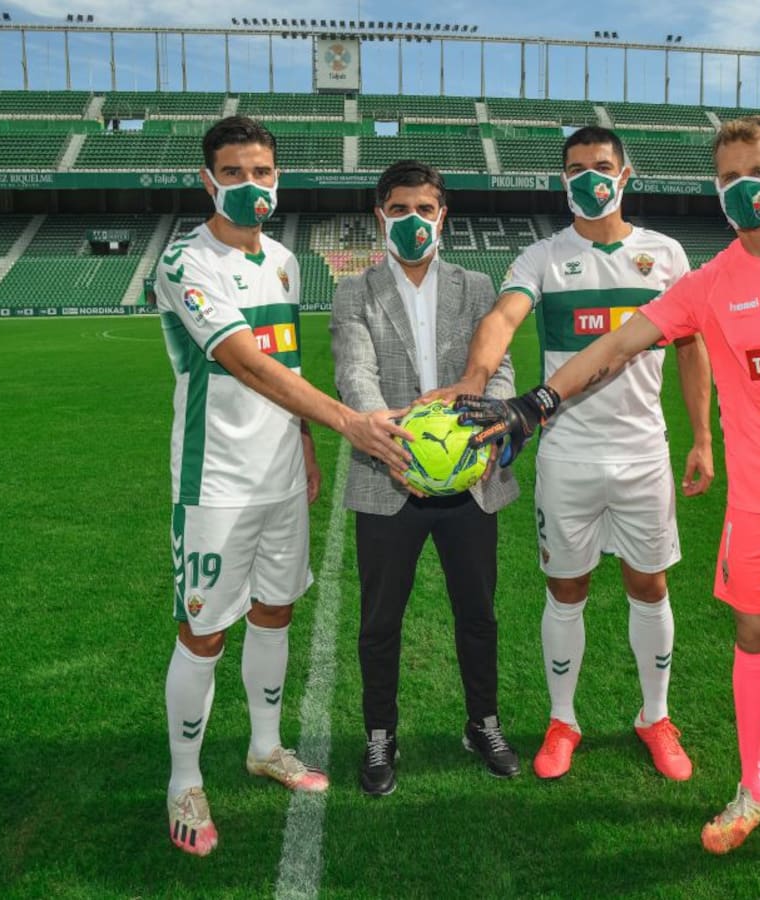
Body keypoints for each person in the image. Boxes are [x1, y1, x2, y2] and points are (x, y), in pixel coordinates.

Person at [459, 115, 760, 882]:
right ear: (715, 189)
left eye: (756, 172)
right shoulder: (710, 282)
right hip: (758, 507)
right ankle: (755, 790)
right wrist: (537, 403)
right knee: (755, 638)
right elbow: (618, 345)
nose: (743, 188)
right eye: (727, 179)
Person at [154, 116, 413, 856]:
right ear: (207, 180)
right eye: (234, 173)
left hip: (279, 476)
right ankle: (183, 780)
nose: (251, 185)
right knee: (205, 630)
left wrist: (303, 442)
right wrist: (348, 422)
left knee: (275, 611)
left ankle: (265, 747)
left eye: (262, 172)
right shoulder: (184, 261)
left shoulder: (285, 261)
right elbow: (245, 361)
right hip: (215, 480)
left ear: (278, 177)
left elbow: (287, 364)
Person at [428, 126, 714, 782]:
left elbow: (691, 347)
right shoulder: (544, 256)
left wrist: (702, 437)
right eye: (577, 168)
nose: (590, 178)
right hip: (566, 453)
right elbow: (503, 318)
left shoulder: (666, 255)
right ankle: (563, 721)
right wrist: (474, 380)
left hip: (643, 453)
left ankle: (655, 717)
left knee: (650, 585)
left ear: (625, 174)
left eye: (602, 166)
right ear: (563, 180)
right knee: (566, 588)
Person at [330, 160, 522, 797]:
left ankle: (483, 723)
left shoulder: (477, 285)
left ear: (443, 218)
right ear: (379, 217)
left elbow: (499, 369)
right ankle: (380, 735)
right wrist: (393, 447)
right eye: (399, 209)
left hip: (471, 484)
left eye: (425, 209)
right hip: (390, 481)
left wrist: (489, 429)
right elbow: (354, 374)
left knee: (478, 614)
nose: (412, 220)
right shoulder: (354, 292)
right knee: (380, 621)